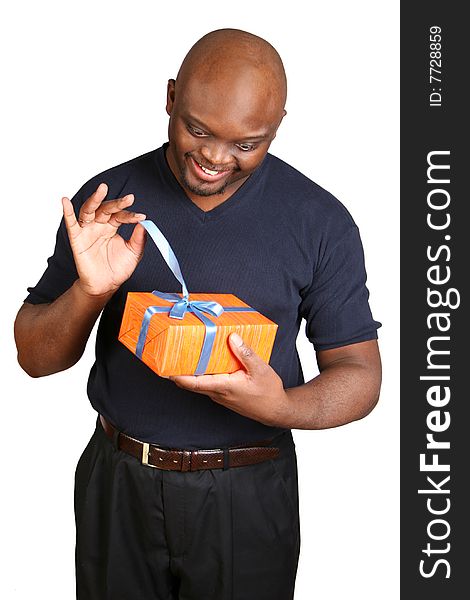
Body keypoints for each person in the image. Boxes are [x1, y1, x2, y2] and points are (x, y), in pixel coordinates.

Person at [14, 28, 382, 600]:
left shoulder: (321, 221)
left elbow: (360, 374)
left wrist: (281, 405)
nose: (214, 157)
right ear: (170, 98)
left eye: (246, 144)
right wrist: (90, 292)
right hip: (120, 481)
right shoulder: (111, 202)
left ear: (278, 125)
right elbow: (34, 358)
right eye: (198, 130)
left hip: (249, 491)